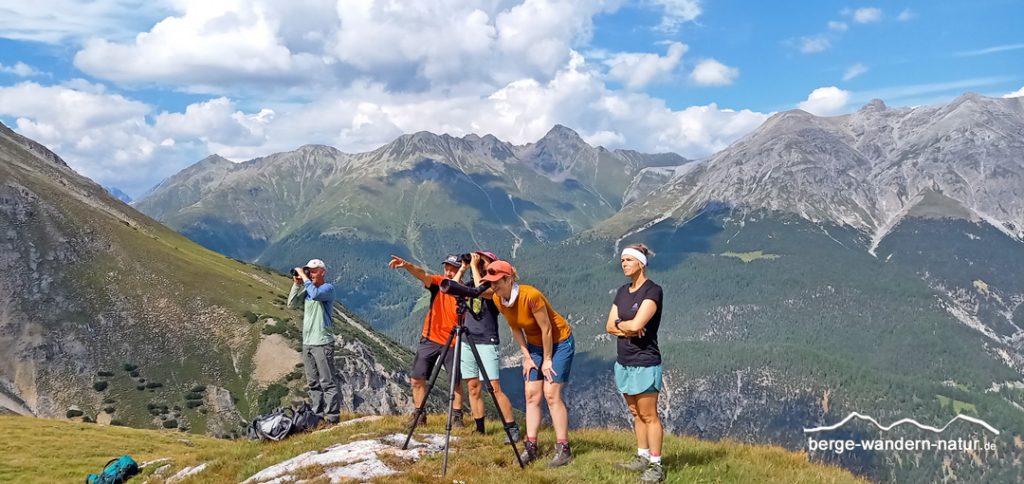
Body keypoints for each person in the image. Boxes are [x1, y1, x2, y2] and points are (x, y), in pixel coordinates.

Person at [482, 260, 575, 467]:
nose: (493, 287)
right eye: (491, 283)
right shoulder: (499, 299)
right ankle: (531, 446)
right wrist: (527, 357)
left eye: (497, 282)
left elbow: (547, 329)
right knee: (531, 394)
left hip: (558, 342)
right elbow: (515, 328)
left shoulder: (531, 296)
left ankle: (563, 448)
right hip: (534, 345)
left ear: (509, 279)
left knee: (551, 394)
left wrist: (548, 360)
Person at [606, 244, 665, 483]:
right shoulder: (622, 292)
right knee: (635, 412)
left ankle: (656, 464)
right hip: (624, 360)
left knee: (649, 414)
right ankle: (641, 456)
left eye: (629, 260)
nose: (624, 264)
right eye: (622, 261)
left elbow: (638, 323)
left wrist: (623, 324)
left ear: (641, 263)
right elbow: (610, 326)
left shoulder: (653, 291)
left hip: (645, 360)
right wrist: (626, 327)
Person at [389, 254, 466, 427]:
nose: (449, 272)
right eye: (447, 268)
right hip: (430, 338)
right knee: (417, 378)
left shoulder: (464, 291)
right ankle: (419, 414)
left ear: (461, 270)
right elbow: (423, 275)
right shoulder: (439, 284)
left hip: (453, 341)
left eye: (453, 269)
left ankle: (457, 417)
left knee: (455, 381)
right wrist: (408, 266)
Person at [462, 251, 520, 442]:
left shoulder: (494, 288)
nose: (478, 263)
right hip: (468, 339)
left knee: (493, 387)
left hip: (487, 339)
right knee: (472, 386)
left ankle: (511, 427)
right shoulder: (472, 283)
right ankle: (479, 428)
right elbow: (452, 288)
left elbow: (480, 288)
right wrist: (463, 267)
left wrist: (475, 267)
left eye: (483, 261)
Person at [287, 258, 340, 424]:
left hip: (323, 342)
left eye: (313, 271)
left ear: (322, 272)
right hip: (308, 342)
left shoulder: (327, 289)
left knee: (327, 381)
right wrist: (296, 284)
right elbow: (292, 304)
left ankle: (332, 418)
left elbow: (316, 295)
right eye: (309, 270)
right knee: (312, 382)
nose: (311, 274)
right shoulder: (308, 292)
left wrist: (304, 277)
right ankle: (317, 416)